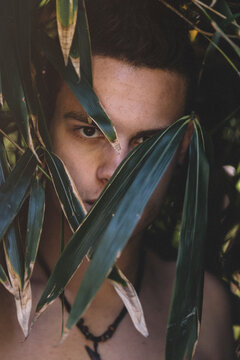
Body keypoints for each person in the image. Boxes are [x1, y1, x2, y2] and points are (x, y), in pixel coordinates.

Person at [0, 0, 234, 359]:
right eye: (89, 130)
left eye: (147, 143)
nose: (116, 173)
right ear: (41, 130)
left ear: (184, 146)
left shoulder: (205, 311)